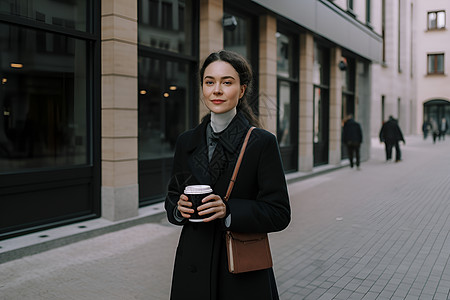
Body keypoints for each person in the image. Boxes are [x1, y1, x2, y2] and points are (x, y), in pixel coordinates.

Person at [165, 50, 291, 300]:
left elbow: (279, 213)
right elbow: (172, 197)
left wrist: (228, 211)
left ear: (242, 90)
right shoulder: (186, 141)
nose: (217, 90)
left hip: (240, 271)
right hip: (192, 265)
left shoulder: (260, 142)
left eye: (227, 82)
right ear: (202, 88)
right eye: (209, 82)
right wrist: (179, 209)